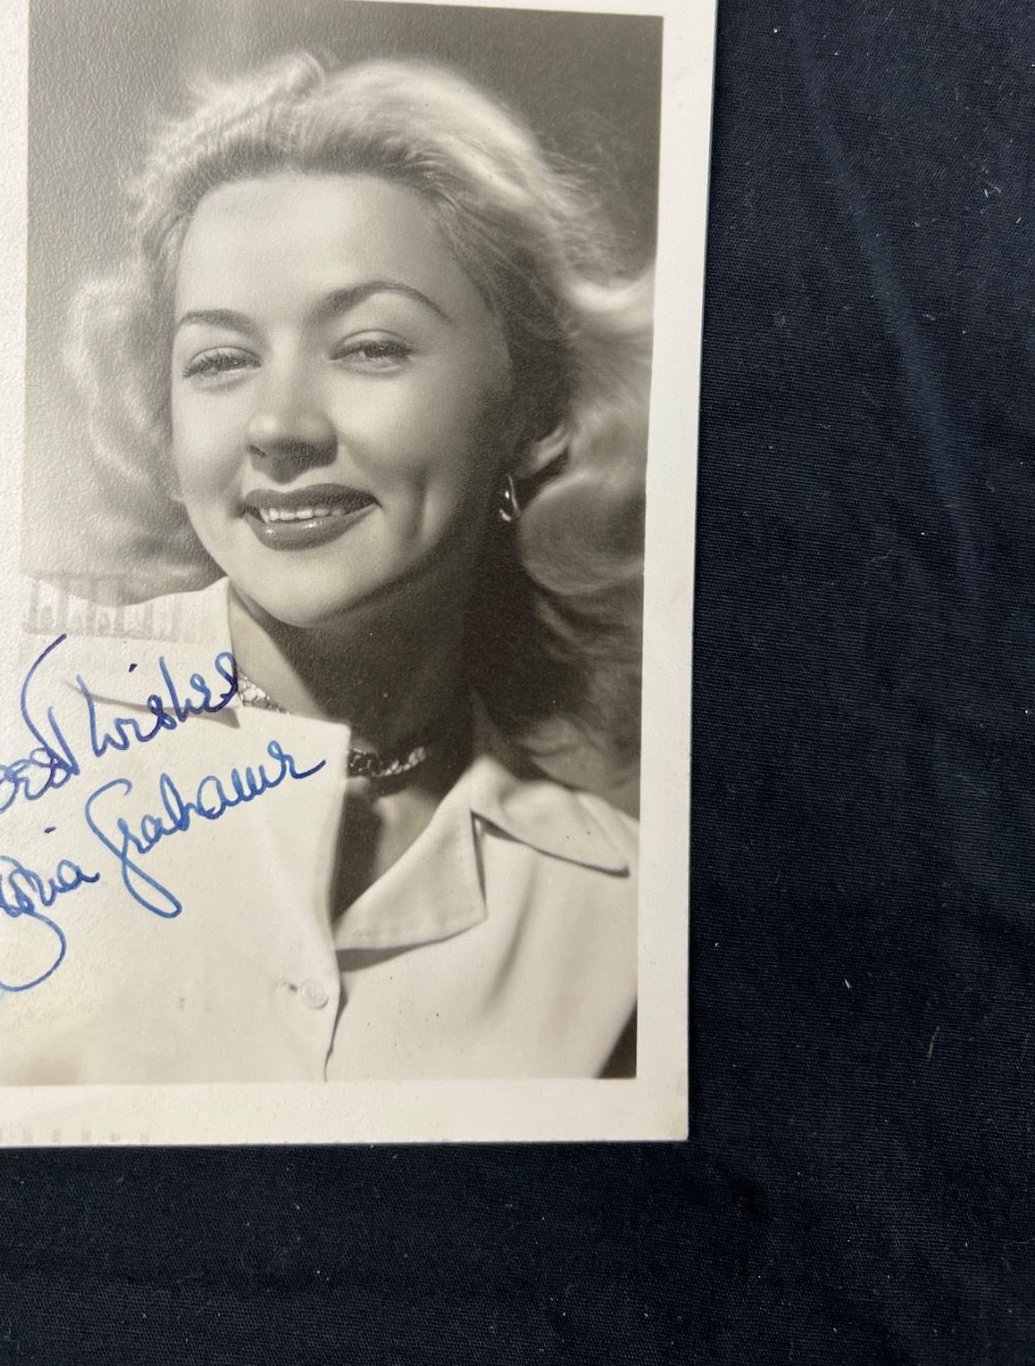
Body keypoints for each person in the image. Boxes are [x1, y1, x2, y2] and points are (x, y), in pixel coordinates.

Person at [42, 52, 651, 1084]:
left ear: (534, 411)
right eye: (221, 360)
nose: (278, 426)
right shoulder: (13, 739)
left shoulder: (624, 913)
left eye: (370, 347)